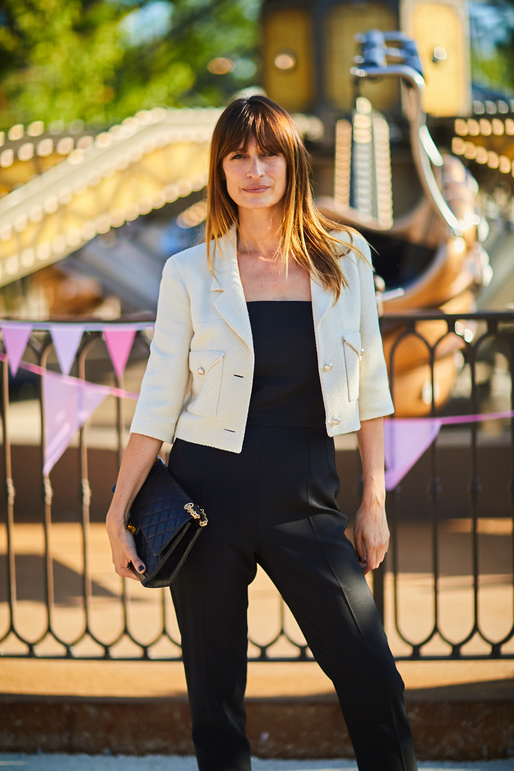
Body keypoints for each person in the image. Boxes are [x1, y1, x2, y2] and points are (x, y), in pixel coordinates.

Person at [106, 95, 418, 771]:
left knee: (373, 676)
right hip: (203, 494)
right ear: (219, 169)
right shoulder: (189, 272)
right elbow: (158, 399)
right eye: (238, 156)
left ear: (291, 162)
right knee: (215, 699)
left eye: (268, 153)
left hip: (307, 496)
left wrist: (373, 501)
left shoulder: (347, 259)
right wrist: (116, 509)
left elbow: (370, 391)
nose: (255, 169)